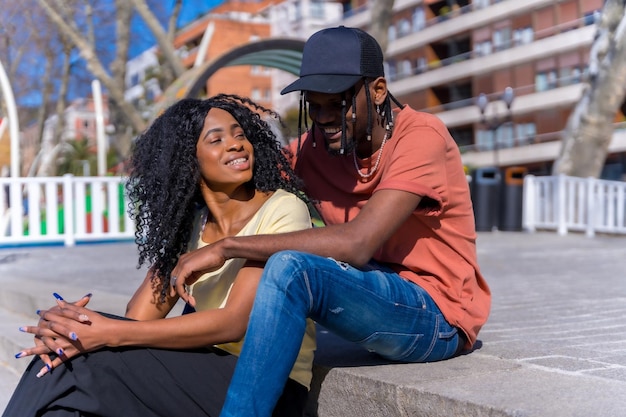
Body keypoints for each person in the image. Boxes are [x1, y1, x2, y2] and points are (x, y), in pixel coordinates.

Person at [170, 26, 492, 417]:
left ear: (376, 91)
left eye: (337, 105)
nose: (323, 119)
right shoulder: (317, 147)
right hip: (371, 293)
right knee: (265, 242)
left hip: (436, 316)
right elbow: (241, 181)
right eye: (315, 105)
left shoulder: (421, 137)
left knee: (290, 266)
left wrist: (225, 248)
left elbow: (357, 244)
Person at [3, 94, 316, 417]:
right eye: (217, 139)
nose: (236, 144)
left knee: (78, 364)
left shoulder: (281, 209)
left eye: (239, 135)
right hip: (198, 374)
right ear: (187, 160)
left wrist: (105, 332)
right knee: (63, 363)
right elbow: (138, 317)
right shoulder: (194, 227)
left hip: (268, 385)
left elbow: (234, 323)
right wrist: (73, 325)